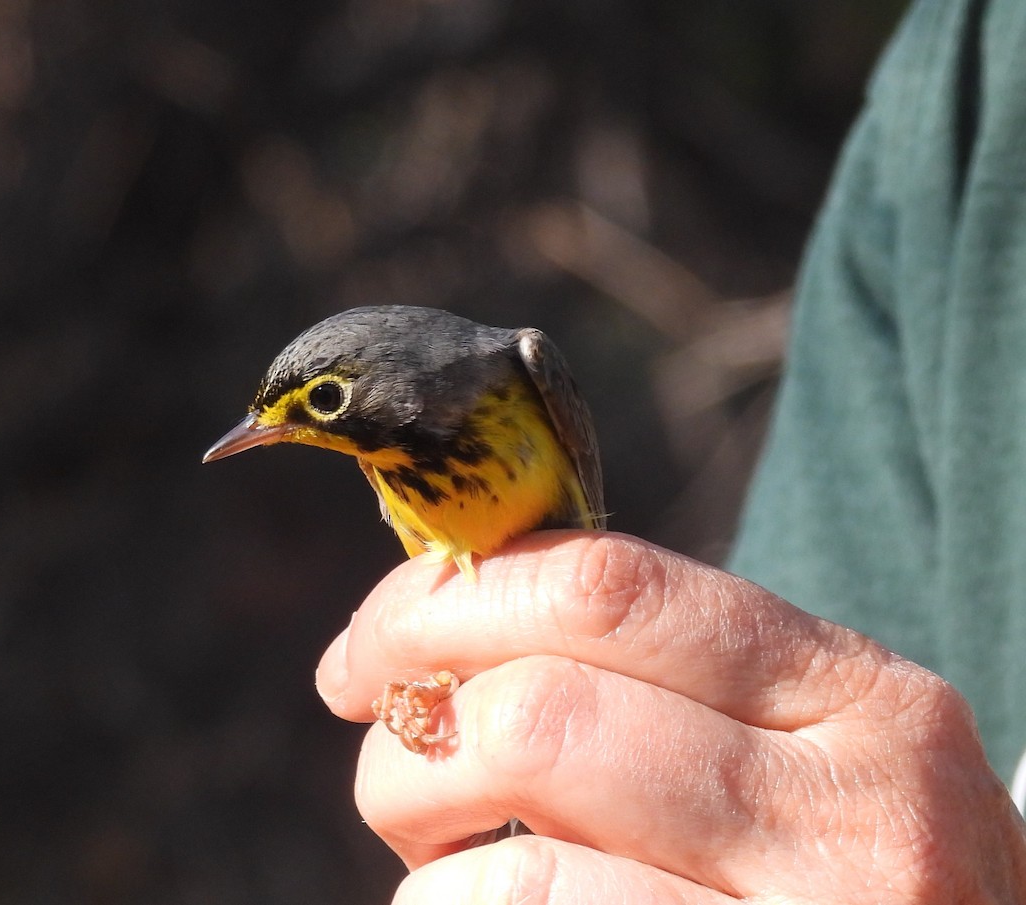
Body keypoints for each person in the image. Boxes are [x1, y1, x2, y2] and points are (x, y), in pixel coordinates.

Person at [316, 0, 1026, 900]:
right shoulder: (961, 88)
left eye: (323, 404)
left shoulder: (518, 365)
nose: (301, 430)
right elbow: (799, 770)